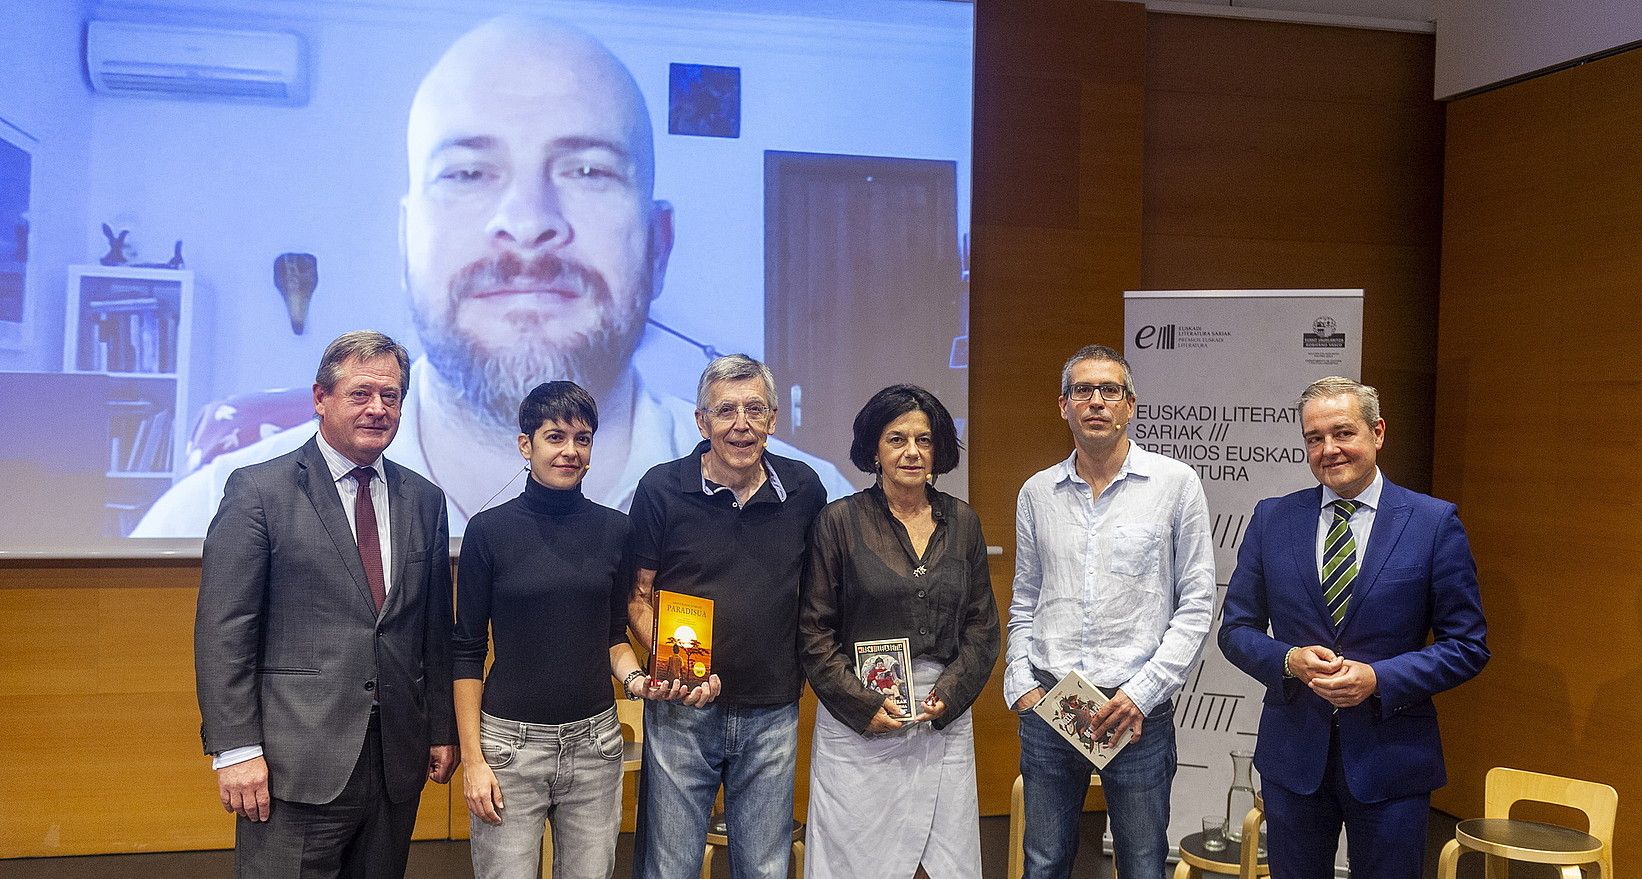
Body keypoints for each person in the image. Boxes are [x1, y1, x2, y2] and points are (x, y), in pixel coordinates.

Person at [133, 15, 852, 538]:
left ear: (658, 245)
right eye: (469, 172)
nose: (528, 220)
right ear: (406, 241)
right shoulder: (201, 522)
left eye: (587, 169)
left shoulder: (816, 509)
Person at [194, 330, 457, 878]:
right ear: (320, 398)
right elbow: (225, 631)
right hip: (294, 763)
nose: (377, 409)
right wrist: (236, 749)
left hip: (395, 761)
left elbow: (430, 628)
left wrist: (439, 729)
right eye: (360, 393)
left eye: (390, 396)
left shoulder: (424, 499)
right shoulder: (258, 491)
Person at [1218, 377, 1488, 879]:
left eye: (1343, 433)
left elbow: (1468, 645)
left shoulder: (1433, 523)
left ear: (1378, 432)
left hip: (1393, 759)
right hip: (1294, 755)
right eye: (1314, 438)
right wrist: (1288, 660)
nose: (1329, 450)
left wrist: (1379, 679)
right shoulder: (1271, 518)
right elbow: (1235, 630)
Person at [1005, 344, 1215, 879]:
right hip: (1053, 705)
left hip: (1137, 712)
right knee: (1045, 860)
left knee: (1143, 863)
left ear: (1130, 404)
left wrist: (1142, 694)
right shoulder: (1037, 493)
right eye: (1083, 390)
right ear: (1063, 406)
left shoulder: (1176, 485)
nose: (1096, 401)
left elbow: (1196, 604)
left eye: (1110, 391)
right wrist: (1021, 683)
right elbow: (1026, 597)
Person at [453, 381, 668, 878]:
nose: (571, 451)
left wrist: (637, 681)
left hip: (595, 745)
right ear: (525, 445)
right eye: (555, 437)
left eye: (583, 438)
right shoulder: (488, 531)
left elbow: (614, 634)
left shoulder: (616, 530)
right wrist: (474, 760)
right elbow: (465, 651)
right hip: (508, 748)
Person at [626, 354, 829, 879]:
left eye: (754, 410)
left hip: (772, 710)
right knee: (669, 867)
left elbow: (820, 593)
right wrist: (670, 668)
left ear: (773, 420)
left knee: (764, 867)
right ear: (701, 422)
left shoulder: (804, 489)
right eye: (726, 411)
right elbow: (638, 596)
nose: (741, 424)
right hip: (681, 711)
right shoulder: (660, 488)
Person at [798, 384, 999, 879]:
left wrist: (948, 697)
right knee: (856, 861)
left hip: (942, 718)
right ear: (874, 449)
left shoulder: (964, 522)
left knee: (944, 862)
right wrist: (864, 706)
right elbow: (814, 632)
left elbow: (981, 628)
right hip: (861, 717)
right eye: (896, 439)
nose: (912, 452)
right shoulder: (838, 523)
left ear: (939, 450)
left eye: (924, 440)